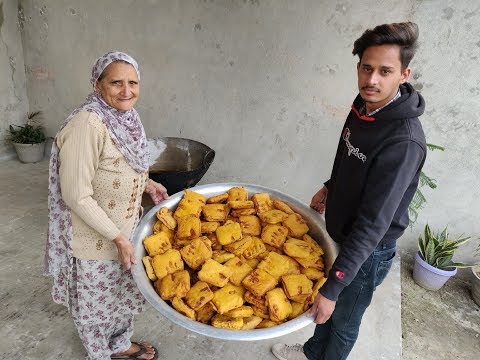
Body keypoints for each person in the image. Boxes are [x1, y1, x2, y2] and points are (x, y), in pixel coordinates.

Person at [272, 22, 426, 360]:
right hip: (344, 233)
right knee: (322, 307)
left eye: (385, 71)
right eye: (366, 68)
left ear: (403, 74)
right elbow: (348, 152)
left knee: (342, 319)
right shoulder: (363, 106)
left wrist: (336, 284)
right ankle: (312, 352)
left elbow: (373, 225)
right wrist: (330, 186)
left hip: (367, 251)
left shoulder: (403, 142)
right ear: (358, 67)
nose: (372, 80)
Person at [44, 51, 169, 360]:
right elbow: (76, 195)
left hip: (126, 233)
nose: (127, 91)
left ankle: (120, 345)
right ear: (98, 85)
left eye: (133, 82)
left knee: (124, 295)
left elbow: (126, 165)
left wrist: (147, 184)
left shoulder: (126, 118)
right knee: (96, 307)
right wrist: (118, 238)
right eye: (116, 83)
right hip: (95, 241)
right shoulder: (87, 125)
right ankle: (99, 354)